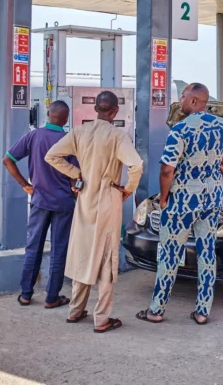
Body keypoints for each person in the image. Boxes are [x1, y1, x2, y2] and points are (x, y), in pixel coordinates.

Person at [136, 83, 223, 326]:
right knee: (206, 253)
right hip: (212, 199)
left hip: (182, 202)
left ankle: (156, 310)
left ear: (195, 101)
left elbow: (167, 170)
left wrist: (164, 198)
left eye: (183, 97)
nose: (180, 101)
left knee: (169, 255)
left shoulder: (180, 130)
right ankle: (202, 312)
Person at [45, 91, 142, 333]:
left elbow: (52, 156)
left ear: (95, 109)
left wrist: (76, 174)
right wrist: (128, 189)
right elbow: (136, 165)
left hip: (85, 197)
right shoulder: (117, 135)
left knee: (83, 252)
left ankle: (75, 310)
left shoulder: (79, 132)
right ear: (115, 111)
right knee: (106, 256)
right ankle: (101, 319)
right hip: (108, 198)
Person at [4, 100, 77, 309]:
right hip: (64, 203)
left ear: (48, 113)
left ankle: (26, 294)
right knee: (58, 250)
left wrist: (24, 185)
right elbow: (75, 178)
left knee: (33, 247)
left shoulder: (33, 136)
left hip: (39, 200)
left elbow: (7, 159)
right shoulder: (69, 140)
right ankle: (52, 297)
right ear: (66, 119)